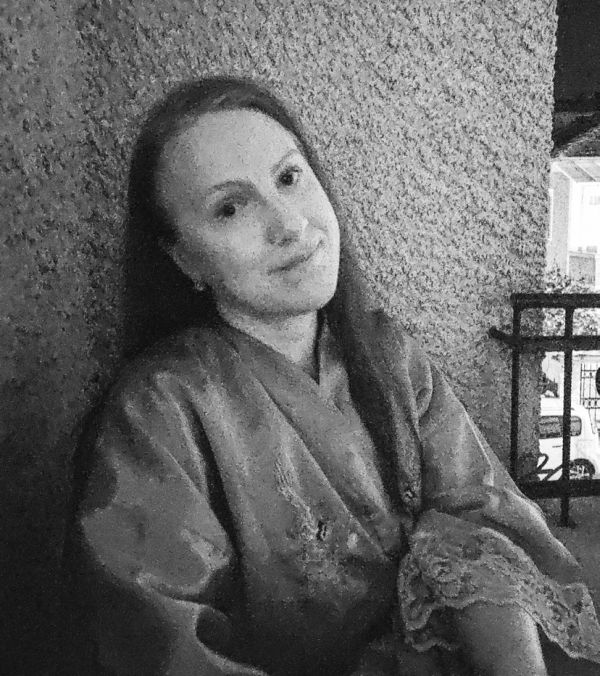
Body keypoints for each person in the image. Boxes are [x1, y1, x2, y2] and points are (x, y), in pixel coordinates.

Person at [66, 77, 600, 675]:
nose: (289, 225)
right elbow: (164, 643)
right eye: (230, 208)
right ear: (183, 257)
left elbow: (480, 517)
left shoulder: (389, 357)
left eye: (289, 178)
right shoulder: (158, 411)